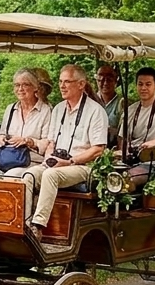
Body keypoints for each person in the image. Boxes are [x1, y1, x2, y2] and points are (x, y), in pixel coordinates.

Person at [22, 64, 108, 242]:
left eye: (67, 82)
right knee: (29, 175)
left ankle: (38, 227)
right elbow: (51, 142)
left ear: (81, 84)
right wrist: (49, 158)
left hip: (82, 166)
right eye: (61, 81)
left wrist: (70, 162)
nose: (62, 86)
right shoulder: (59, 109)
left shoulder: (95, 111)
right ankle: (24, 224)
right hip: (58, 163)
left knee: (50, 176)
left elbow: (98, 149)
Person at [0, 68, 52, 180]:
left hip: (31, 161)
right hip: (8, 158)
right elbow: (2, 134)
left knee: (11, 177)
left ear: (35, 87)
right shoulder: (10, 109)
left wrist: (28, 141)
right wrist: (1, 139)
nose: (20, 89)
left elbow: (47, 143)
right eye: (17, 85)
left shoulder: (46, 111)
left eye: (25, 84)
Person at [95, 64, 122, 144]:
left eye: (109, 80)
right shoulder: (90, 101)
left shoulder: (122, 103)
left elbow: (125, 132)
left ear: (115, 81)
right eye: (101, 80)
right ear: (97, 81)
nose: (105, 83)